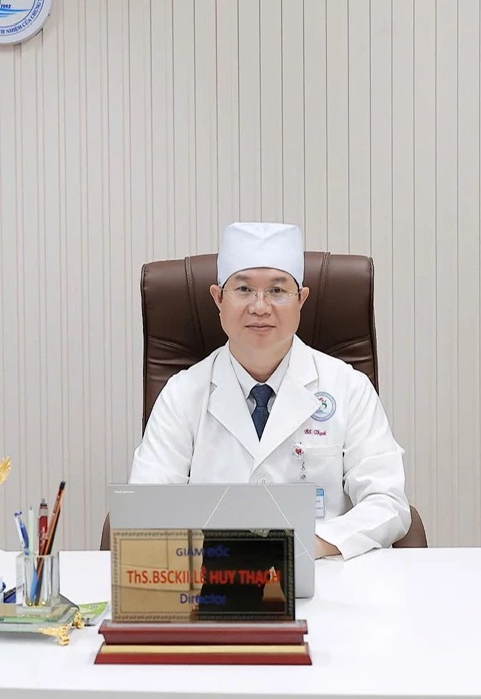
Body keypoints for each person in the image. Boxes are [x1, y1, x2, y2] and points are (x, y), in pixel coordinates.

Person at [129, 222, 411, 562]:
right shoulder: (182, 394)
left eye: (277, 290)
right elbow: (146, 508)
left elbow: (387, 502)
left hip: (325, 572)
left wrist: (309, 546)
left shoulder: (349, 388)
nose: (260, 307)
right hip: (211, 577)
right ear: (218, 298)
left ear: (301, 299)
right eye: (244, 289)